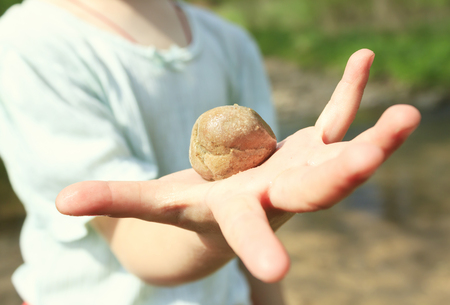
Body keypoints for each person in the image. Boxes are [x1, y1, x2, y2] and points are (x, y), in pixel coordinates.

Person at [0, 0, 421, 304]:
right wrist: (213, 228)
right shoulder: (29, 43)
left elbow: (255, 212)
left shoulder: (229, 41)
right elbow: (130, 237)